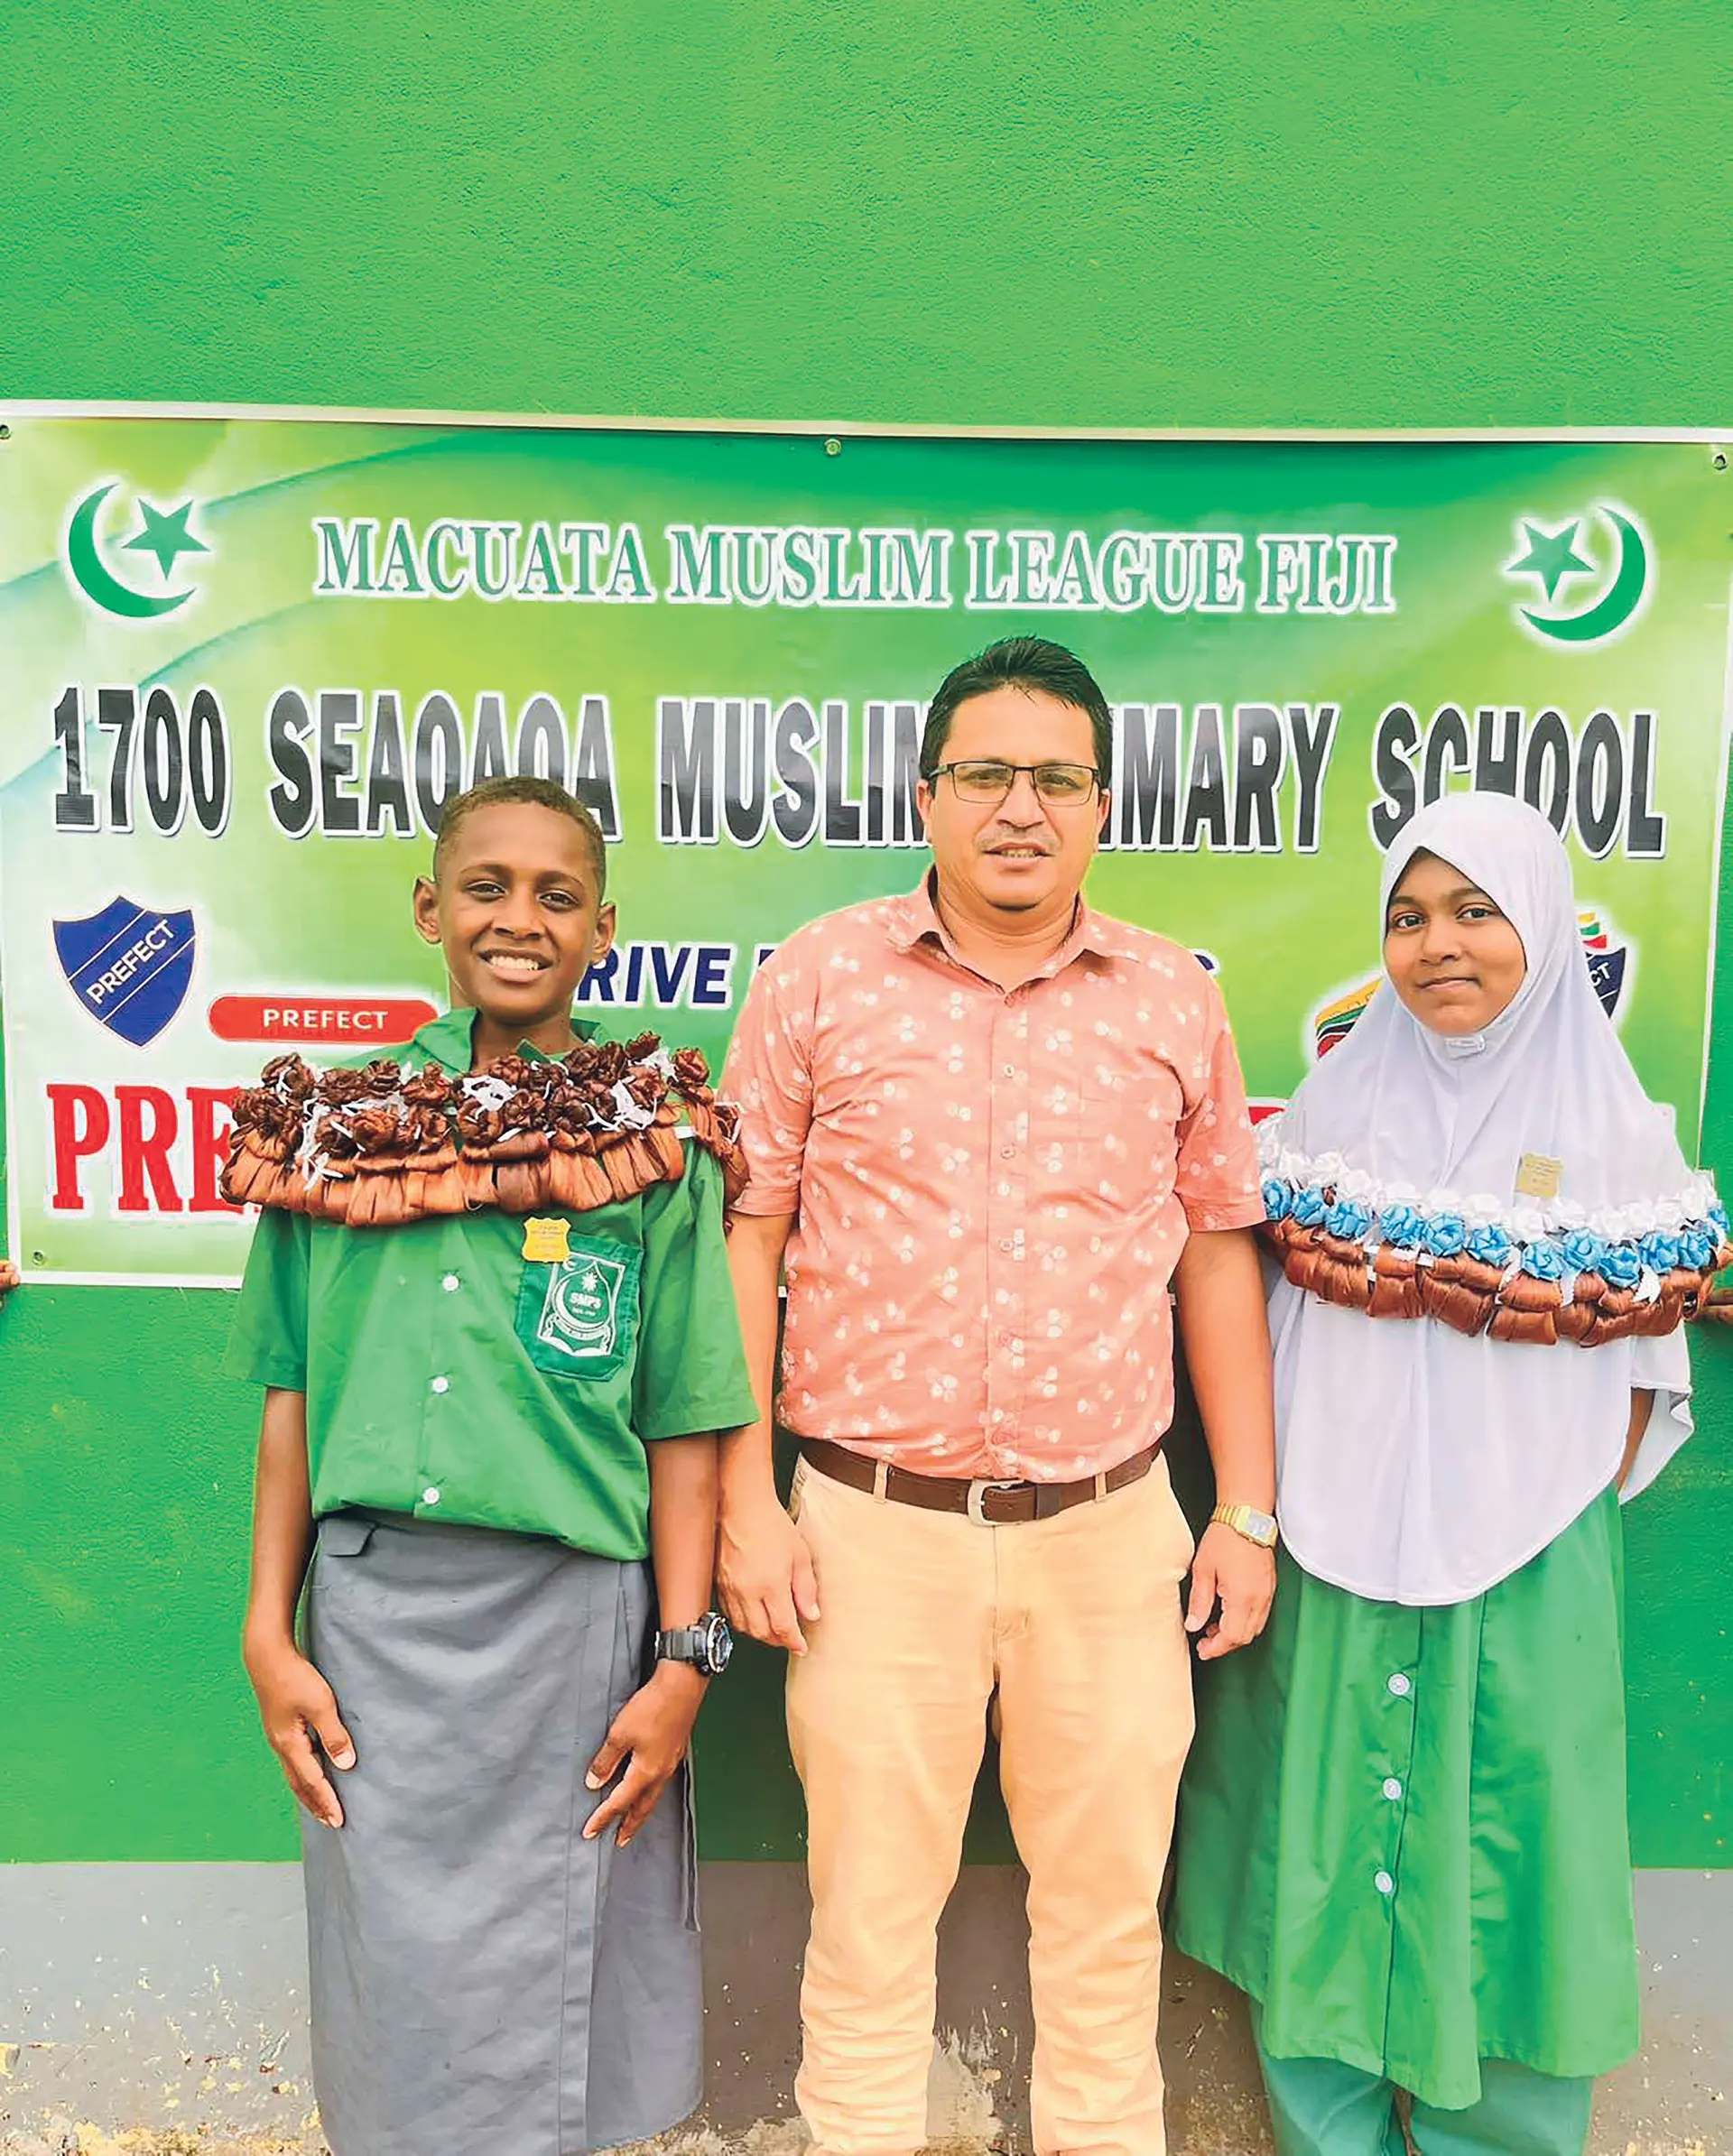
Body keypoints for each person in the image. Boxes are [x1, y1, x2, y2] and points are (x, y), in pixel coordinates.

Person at [718, 636, 1279, 2156]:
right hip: (866, 1529)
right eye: (985, 773)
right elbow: (746, 1240)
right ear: (926, 794)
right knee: (868, 1930)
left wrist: (1246, 1512)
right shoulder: (818, 979)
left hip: (1109, 1533)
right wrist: (747, 1504)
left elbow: (1219, 1259)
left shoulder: (1171, 998)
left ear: (1102, 803)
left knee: (1107, 1937)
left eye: (1057, 777)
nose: (1019, 806)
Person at [1171, 791, 1728, 2156]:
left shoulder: (1624, 1144)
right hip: (1327, 1546)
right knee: (1310, 1857)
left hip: (1530, 1563)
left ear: (1540, 922)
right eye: (1409, 918)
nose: (1439, 947)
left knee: (1520, 1865)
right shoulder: (1324, 1130)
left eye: (1477, 911)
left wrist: (1508, 1499)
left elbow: (1644, 1388)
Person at [225, 776, 757, 2156]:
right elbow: (290, 1402)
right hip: (371, 1633)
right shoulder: (333, 1143)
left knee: (571, 2013)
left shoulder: (654, 1148)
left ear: (603, 932)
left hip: (579, 1630)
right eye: (486, 887)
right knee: (397, 2002)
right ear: (428, 908)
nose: (519, 920)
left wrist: (683, 1662)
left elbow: (688, 1420)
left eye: (557, 896)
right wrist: (265, 1637)